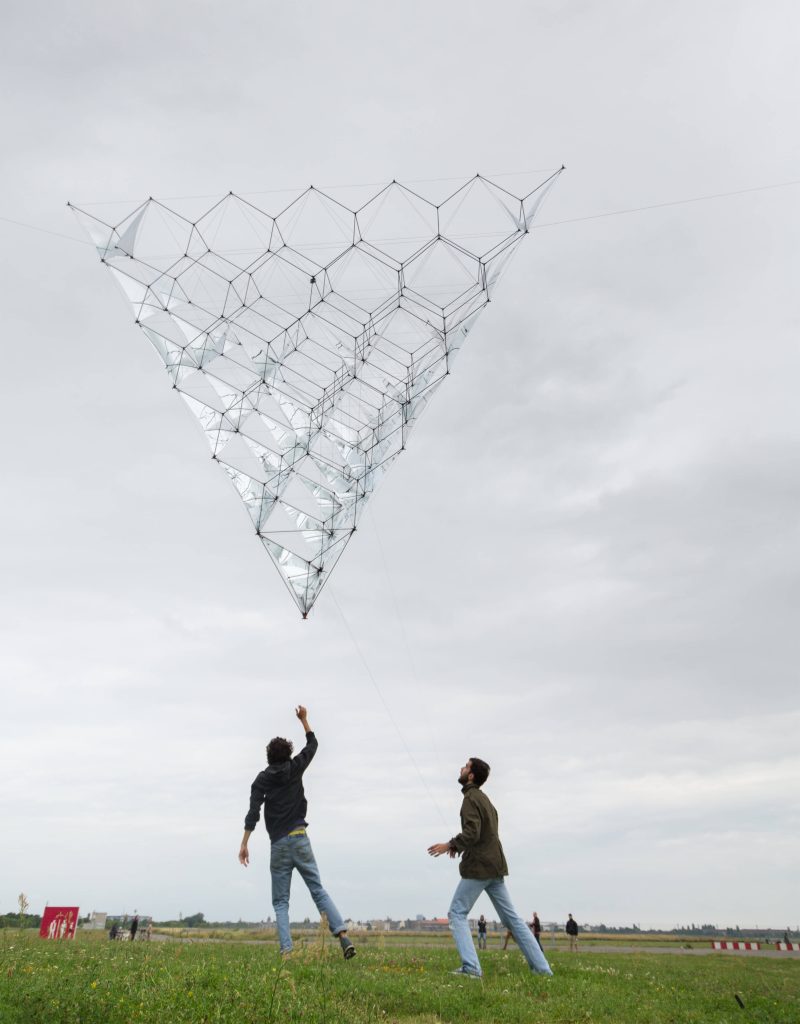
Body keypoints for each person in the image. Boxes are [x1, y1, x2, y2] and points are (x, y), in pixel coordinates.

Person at [239, 705, 356, 960]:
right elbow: (313, 745)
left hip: (278, 844)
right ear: (288, 754)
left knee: (281, 902)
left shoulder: (261, 780)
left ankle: (287, 952)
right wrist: (305, 720)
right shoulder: (295, 767)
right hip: (300, 838)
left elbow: (253, 813)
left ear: (268, 757)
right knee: (318, 889)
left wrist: (245, 843)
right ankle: (343, 935)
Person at [428, 757, 552, 978]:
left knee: (456, 912)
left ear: (471, 775)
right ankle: (543, 969)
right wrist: (460, 846)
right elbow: (482, 834)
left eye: (465, 767)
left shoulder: (470, 800)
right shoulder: (485, 800)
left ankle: (471, 968)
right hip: (496, 866)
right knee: (512, 919)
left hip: (480, 867)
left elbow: (472, 833)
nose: (461, 768)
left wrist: (450, 844)